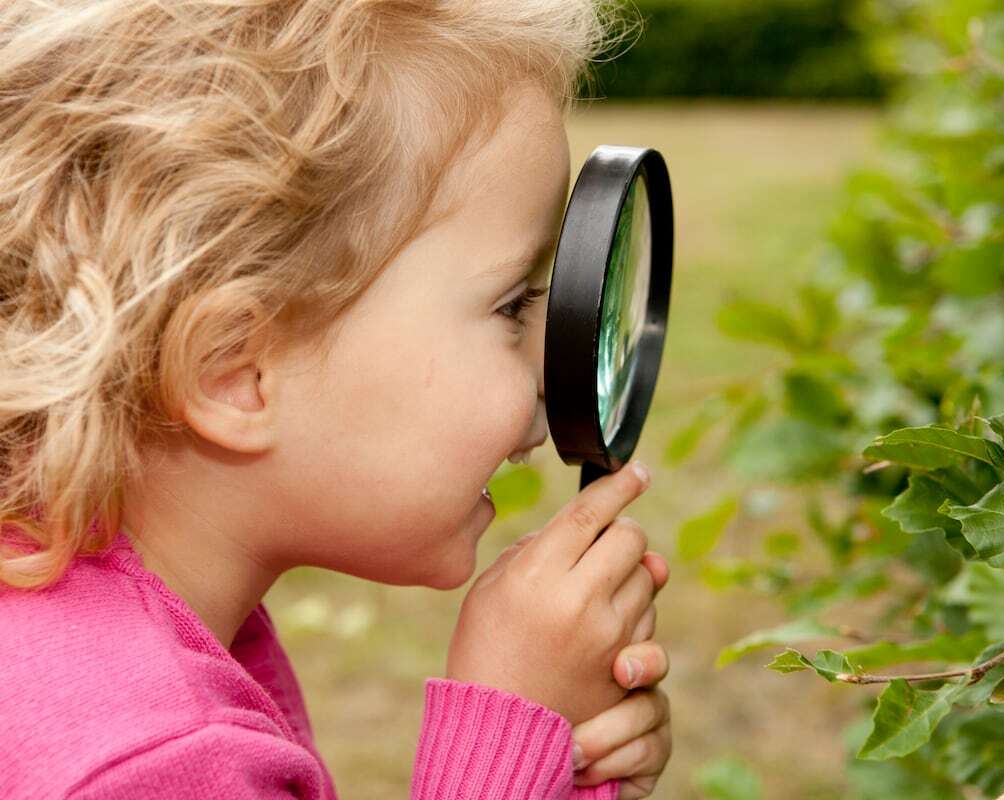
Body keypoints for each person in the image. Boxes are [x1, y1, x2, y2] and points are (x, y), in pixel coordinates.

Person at [0, 1, 673, 797]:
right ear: (232, 373)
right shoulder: (152, 760)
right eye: (510, 308)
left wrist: (564, 764)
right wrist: (510, 733)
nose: (544, 366)